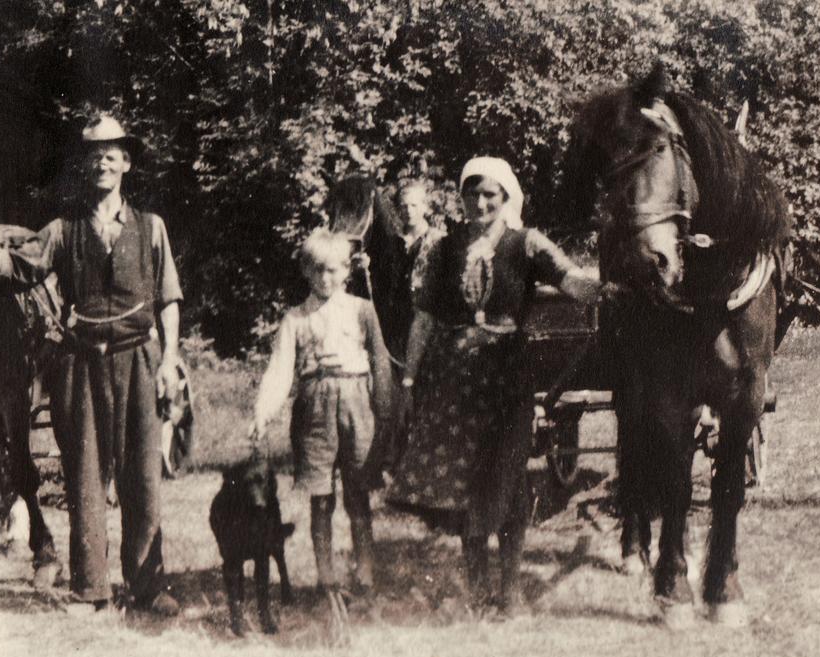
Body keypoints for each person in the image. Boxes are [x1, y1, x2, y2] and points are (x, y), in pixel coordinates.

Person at [386, 156, 607, 613]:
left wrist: (608, 288)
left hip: (508, 379)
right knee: (465, 487)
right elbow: (425, 319)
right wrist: (408, 379)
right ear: (462, 198)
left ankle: (509, 591)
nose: (480, 202)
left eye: (490, 194)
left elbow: (571, 280)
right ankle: (476, 588)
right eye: (472, 193)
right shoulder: (444, 249)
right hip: (456, 384)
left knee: (508, 482)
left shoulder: (526, 244)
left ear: (506, 198)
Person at [0, 114, 183, 614]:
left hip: (139, 359)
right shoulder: (61, 229)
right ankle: (90, 587)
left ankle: (147, 587)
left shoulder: (152, 228)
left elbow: (170, 300)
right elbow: (8, 267)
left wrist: (170, 359)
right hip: (80, 363)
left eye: (112, 152)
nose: (102, 161)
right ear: (84, 164)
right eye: (94, 153)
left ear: (126, 162)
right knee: (85, 476)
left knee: (142, 476)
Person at [251, 229, 393, 598]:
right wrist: (263, 411)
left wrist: (386, 408)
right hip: (314, 407)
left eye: (332, 270)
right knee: (321, 496)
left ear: (347, 269)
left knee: (358, 491)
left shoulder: (362, 310)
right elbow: (280, 370)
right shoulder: (296, 318)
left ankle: (364, 571)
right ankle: (325, 574)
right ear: (305, 272)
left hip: (356, 402)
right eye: (317, 271)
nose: (325, 279)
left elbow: (380, 363)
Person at [388, 180, 446, 362]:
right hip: (396, 319)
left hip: (425, 318)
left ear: (425, 207)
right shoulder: (393, 241)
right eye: (403, 206)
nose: (408, 211)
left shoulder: (438, 240)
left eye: (414, 205)